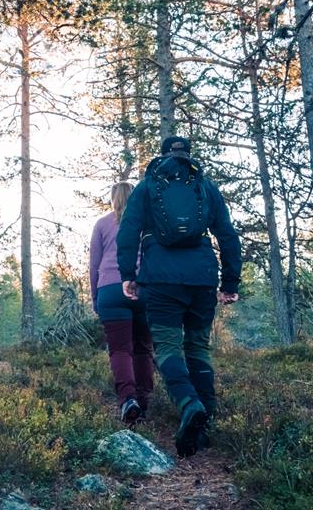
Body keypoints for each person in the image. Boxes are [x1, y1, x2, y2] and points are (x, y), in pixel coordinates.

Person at [116, 135, 242, 457]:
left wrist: (128, 275)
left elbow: (128, 231)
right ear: (189, 155)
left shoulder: (147, 187)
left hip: (161, 279)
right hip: (201, 277)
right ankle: (206, 423)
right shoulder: (205, 187)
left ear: (162, 155)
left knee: (169, 347)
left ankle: (189, 404)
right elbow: (227, 235)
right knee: (198, 346)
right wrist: (230, 282)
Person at [89, 181, 154, 424]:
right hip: (143, 289)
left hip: (110, 290)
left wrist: (95, 297)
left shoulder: (102, 224)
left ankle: (128, 399)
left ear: (112, 198)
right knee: (143, 349)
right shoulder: (147, 222)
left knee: (120, 349)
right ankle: (144, 400)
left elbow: (94, 264)